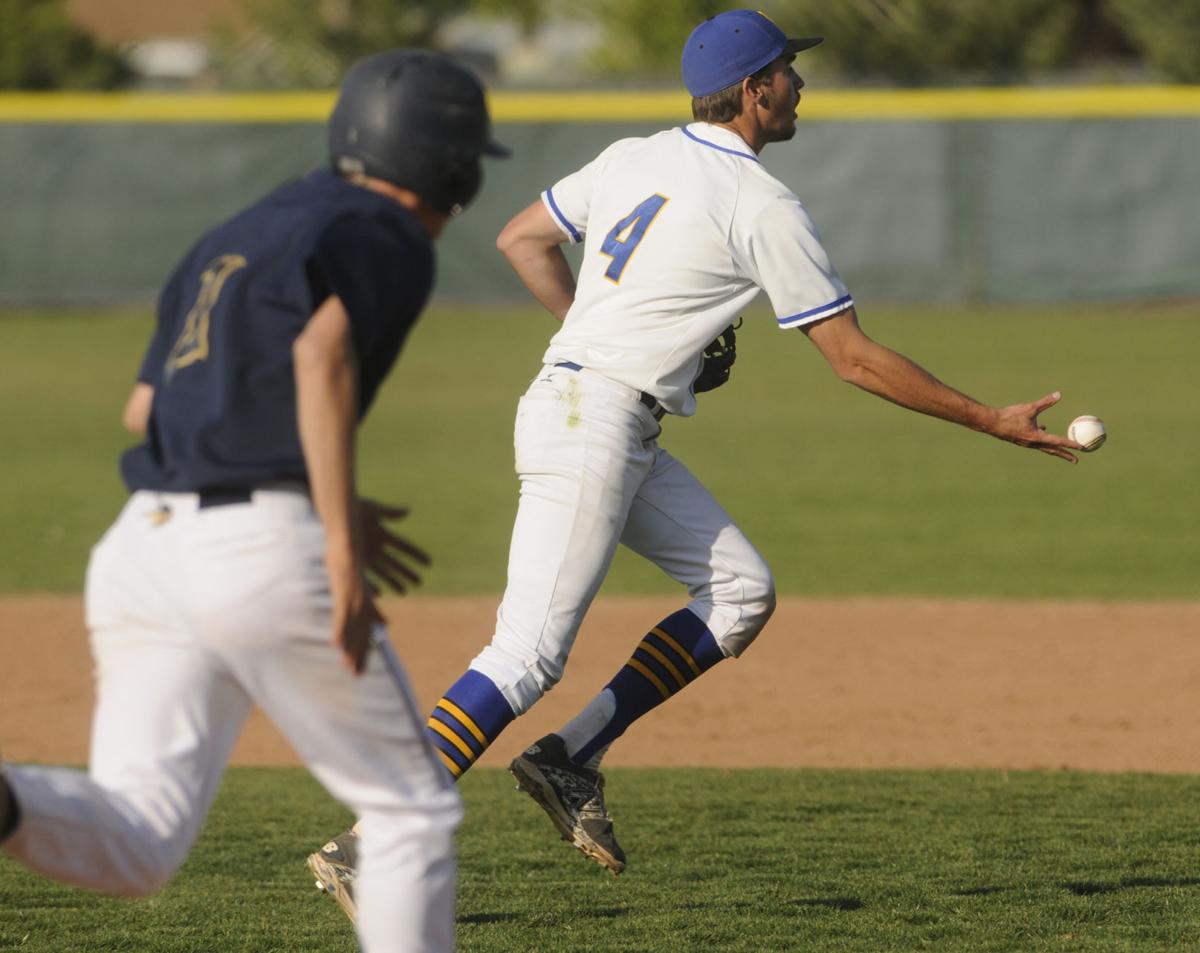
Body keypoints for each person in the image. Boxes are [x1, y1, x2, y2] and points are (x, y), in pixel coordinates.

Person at [305, 8, 1081, 903]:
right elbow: (854, 357)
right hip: (591, 422)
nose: (799, 84)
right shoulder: (760, 202)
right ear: (754, 91)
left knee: (742, 591)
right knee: (524, 656)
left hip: (596, 413)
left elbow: (521, 236)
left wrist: (597, 332)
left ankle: (571, 755)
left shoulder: (634, 156)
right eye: (788, 70)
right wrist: (992, 420)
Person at [0, 49, 508, 953]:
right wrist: (339, 554)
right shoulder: (385, 230)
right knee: (410, 811)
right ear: (451, 166)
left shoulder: (238, 232)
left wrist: (326, 497)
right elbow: (320, 358)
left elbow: (147, 407)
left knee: (137, 839)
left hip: (140, 549)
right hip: (261, 554)